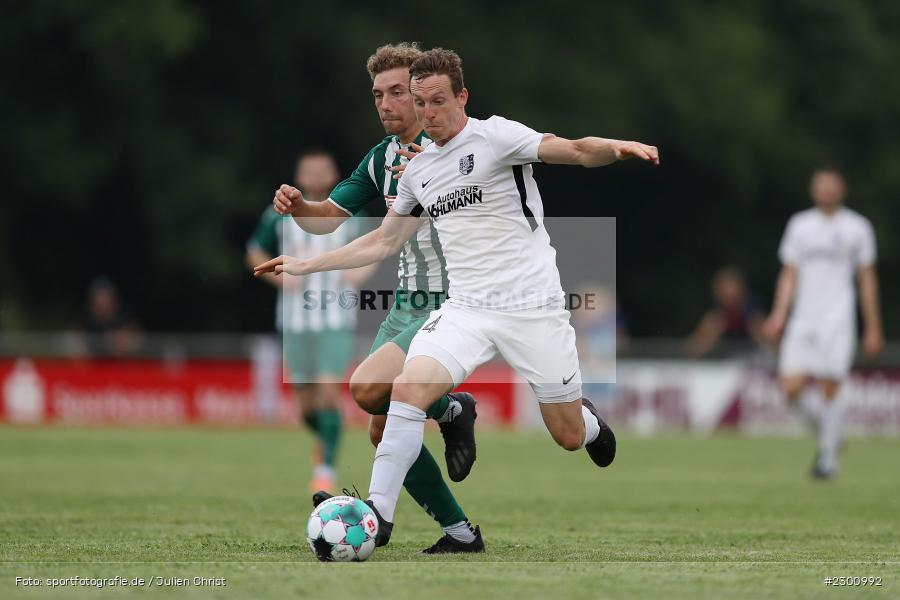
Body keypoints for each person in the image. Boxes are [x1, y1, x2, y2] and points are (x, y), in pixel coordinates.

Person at [256, 47, 659, 544]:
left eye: (428, 99)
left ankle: (586, 423)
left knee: (568, 436)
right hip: (464, 308)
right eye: (413, 101)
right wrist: (305, 262)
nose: (424, 111)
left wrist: (615, 148)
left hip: (531, 306)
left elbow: (573, 150)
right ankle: (378, 516)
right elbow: (383, 239)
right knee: (403, 391)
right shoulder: (418, 171)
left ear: (460, 97)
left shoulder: (495, 137)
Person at [269, 43, 483, 554]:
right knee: (380, 426)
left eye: (396, 93)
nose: (386, 104)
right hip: (405, 301)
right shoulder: (381, 157)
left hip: (451, 300)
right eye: (377, 95)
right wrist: (300, 207)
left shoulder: (456, 148)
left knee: (367, 390)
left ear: (422, 94)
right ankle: (460, 532)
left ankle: (444, 420)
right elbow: (328, 219)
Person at [247, 149, 374, 494]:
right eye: (309, 170)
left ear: (333, 174)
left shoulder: (351, 213)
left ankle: (325, 470)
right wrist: (280, 278)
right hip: (294, 321)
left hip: (334, 317)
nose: (316, 176)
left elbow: (377, 248)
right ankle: (327, 441)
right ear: (299, 176)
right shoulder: (278, 216)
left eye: (323, 170)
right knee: (305, 406)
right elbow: (254, 251)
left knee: (329, 394)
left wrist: (358, 274)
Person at [763, 168, 883, 479]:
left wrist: (873, 327)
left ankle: (827, 461)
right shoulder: (800, 225)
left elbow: (867, 279)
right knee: (790, 389)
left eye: (832, 186)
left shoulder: (857, 227)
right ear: (813, 190)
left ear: (842, 190)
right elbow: (789, 273)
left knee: (831, 385)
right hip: (804, 317)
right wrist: (779, 313)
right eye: (821, 186)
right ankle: (832, 437)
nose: (827, 191)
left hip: (838, 317)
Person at [684, 267, 764, 358]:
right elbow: (693, 349)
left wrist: (758, 332)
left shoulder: (752, 313)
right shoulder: (717, 316)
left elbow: (768, 343)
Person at [80, 276, 143, 358]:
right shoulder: (88, 320)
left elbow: (138, 339)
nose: (102, 306)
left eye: (105, 299)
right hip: (96, 365)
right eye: (98, 302)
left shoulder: (124, 316)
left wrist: (122, 341)